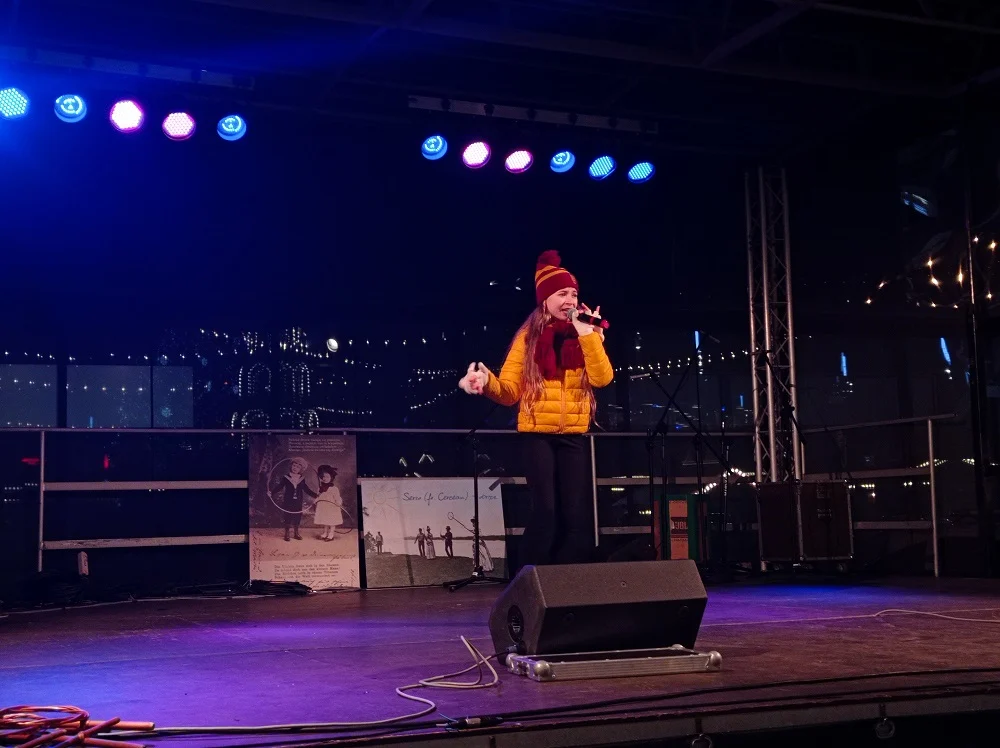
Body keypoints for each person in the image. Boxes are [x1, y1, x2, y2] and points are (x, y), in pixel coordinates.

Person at [459, 250, 613, 566]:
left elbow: (602, 378)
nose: (569, 300)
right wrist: (485, 381)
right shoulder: (528, 338)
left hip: (574, 436)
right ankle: (530, 578)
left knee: (575, 514)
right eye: (562, 294)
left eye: (573, 294)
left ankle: (567, 580)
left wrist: (589, 336)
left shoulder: (586, 335)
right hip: (537, 436)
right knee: (545, 511)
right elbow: (510, 392)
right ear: (545, 299)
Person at [313, 465, 343, 541]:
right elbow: (319, 496)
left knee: (332, 521)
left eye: (327, 477)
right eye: (323, 476)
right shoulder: (320, 488)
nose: (325, 478)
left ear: (331, 478)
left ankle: (331, 534)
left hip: (332, 507)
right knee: (325, 521)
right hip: (324, 507)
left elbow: (337, 498)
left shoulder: (334, 489)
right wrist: (316, 500)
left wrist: (338, 503)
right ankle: (325, 533)